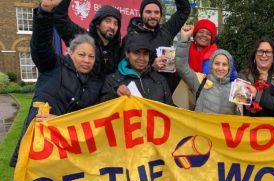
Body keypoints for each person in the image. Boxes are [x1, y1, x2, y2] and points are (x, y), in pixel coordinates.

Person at [10, 1, 103, 167]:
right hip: (39, 147)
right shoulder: (52, 65)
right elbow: (41, 45)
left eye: (91, 56)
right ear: (70, 52)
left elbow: (92, 123)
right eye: (82, 54)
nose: (87, 60)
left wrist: (62, 122)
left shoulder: (95, 84)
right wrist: (45, 11)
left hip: (70, 156)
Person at [122, 0, 191, 92]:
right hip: (143, 96)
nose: (153, 16)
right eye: (148, 12)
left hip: (166, 94)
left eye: (156, 12)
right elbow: (123, 71)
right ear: (141, 14)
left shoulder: (167, 31)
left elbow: (184, 10)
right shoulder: (130, 38)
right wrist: (152, 67)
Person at [175, 25, 239, 115]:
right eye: (217, 63)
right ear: (211, 65)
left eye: (224, 65)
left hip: (223, 129)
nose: (220, 68)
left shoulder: (236, 89)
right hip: (199, 128)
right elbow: (181, 67)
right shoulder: (201, 81)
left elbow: (240, 116)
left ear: (229, 67)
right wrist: (184, 38)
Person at [53, 0, 122, 79]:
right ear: (97, 24)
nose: (112, 27)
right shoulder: (83, 39)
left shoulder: (118, 49)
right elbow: (60, 19)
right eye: (108, 21)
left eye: (116, 23)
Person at [100, 36, 173, 105]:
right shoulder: (112, 80)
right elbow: (103, 110)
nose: (141, 58)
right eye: (136, 53)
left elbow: (170, 109)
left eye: (145, 54)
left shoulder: (160, 79)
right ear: (127, 54)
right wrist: (115, 93)